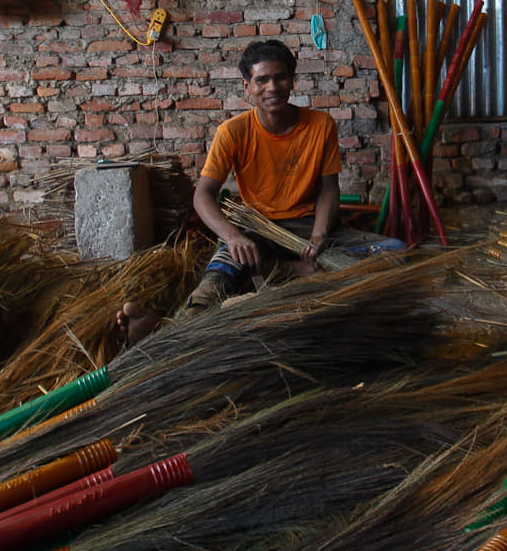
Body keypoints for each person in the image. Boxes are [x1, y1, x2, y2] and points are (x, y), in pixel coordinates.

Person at [116, 39, 401, 344]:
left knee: (395, 252)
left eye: (280, 78)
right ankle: (164, 331)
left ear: (292, 80)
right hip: (257, 230)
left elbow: (329, 188)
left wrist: (319, 234)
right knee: (220, 275)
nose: (272, 87)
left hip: (308, 229)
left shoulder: (321, 125)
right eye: (262, 80)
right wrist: (233, 237)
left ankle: (283, 269)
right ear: (247, 86)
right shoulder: (233, 132)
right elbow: (203, 195)